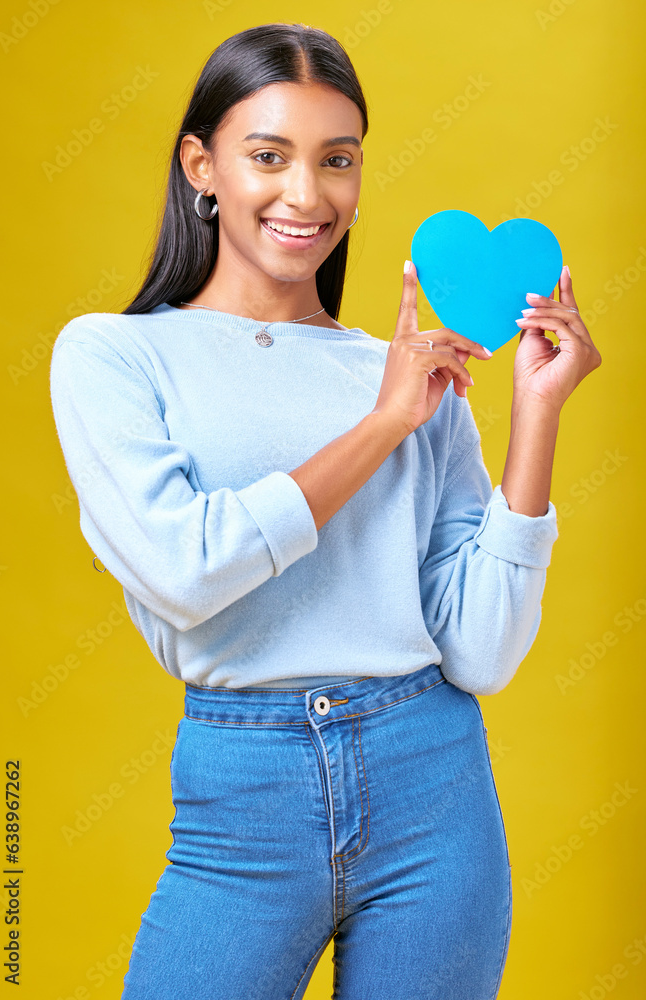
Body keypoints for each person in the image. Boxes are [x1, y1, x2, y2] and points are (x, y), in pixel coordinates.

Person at [49, 21, 601, 1000]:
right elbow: (188, 569)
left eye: (335, 161)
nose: (307, 195)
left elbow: (478, 650)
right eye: (269, 156)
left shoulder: (402, 376)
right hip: (240, 797)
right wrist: (383, 423)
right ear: (200, 165)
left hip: (431, 785)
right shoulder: (112, 356)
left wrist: (534, 413)